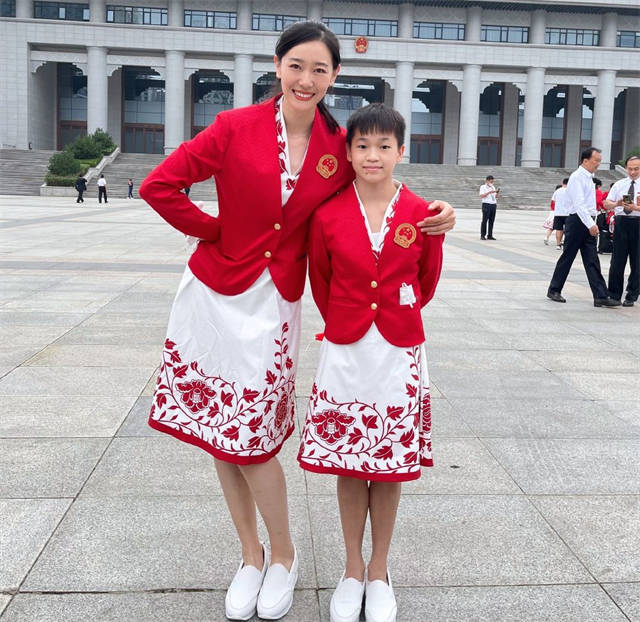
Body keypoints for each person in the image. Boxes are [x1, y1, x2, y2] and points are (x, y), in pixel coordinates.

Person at [138, 21, 455, 622]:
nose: (306, 80)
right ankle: (251, 556)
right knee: (220, 433)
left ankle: (284, 556)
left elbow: (378, 190)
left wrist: (440, 213)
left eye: (320, 70)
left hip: (277, 299)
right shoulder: (236, 127)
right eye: (296, 66)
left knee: (252, 433)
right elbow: (162, 186)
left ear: (334, 77)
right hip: (214, 291)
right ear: (277, 65)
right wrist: (218, 231)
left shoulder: (341, 144)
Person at [298, 104, 444, 622]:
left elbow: (424, 282)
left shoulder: (423, 213)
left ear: (402, 151)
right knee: (350, 461)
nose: (372, 155)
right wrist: (352, 316)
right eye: (362, 146)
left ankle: (380, 570)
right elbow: (321, 281)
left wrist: (389, 314)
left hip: (398, 351)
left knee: (387, 467)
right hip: (346, 348)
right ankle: (352, 569)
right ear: (349, 152)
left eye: (384, 146)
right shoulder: (328, 213)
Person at [547, 147, 620, 307]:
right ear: (585, 161)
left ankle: (600, 295)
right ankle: (554, 289)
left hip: (587, 221)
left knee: (592, 259)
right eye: (596, 161)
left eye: (599, 160)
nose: (598, 164)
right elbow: (579, 204)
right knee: (568, 256)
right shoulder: (577, 177)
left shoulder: (589, 178)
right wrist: (591, 224)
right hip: (578, 222)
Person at [604, 154, 640, 306]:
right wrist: (616, 203)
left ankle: (632, 295)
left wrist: (635, 208)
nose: (633, 172)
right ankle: (614, 294)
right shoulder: (619, 184)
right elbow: (606, 204)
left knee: (637, 262)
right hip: (621, 223)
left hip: (638, 223)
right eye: (630, 169)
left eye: (636, 169)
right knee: (617, 260)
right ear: (625, 168)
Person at [479, 175, 499, 240]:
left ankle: (490, 235)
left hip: (493, 204)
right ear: (487, 180)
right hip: (486, 204)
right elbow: (482, 196)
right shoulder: (483, 187)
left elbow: (495, 197)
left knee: (491, 220)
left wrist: (497, 193)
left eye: (493, 181)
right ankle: (482, 235)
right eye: (491, 181)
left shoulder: (493, 187)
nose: (492, 183)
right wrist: (489, 192)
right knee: (484, 220)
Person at [551, 178, 569, 249]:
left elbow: (553, 201)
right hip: (568, 213)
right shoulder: (570, 191)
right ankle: (566, 243)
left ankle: (558, 244)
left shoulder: (557, 191)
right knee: (568, 229)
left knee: (559, 229)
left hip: (558, 213)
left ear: (562, 183)